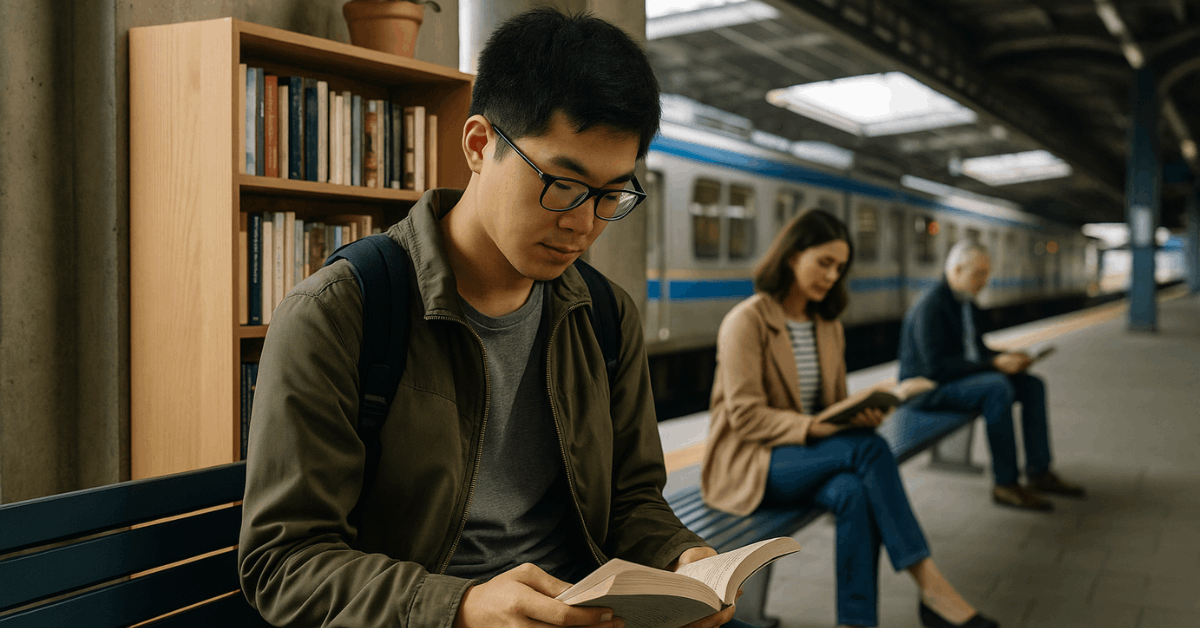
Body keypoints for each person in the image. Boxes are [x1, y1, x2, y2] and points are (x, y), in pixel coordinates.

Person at [238, 8, 746, 628]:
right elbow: (284, 561)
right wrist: (461, 606)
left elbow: (632, 500)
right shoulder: (341, 313)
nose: (584, 225)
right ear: (480, 145)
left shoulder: (605, 315)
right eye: (563, 183)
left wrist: (682, 556)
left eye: (612, 195)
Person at [701, 210, 998, 628]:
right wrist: (819, 428)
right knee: (871, 450)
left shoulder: (828, 326)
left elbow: (833, 405)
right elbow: (746, 418)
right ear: (792, 256)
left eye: (839, 268)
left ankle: (857, 622)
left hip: (810, 456)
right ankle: (931, 587)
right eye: (824, 262)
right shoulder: (747, 321)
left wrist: (861, 413)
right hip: (753, 462)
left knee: (854, 492)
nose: (831, 275)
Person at [898, 240, 1086, 511]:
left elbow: (977, 351)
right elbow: (936, 368)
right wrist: (996, 364)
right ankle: (1005, 484)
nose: (983, 282)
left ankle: (1039, 472)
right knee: (997, 387)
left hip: (955, 381)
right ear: (957, 270)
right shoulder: (931, 307)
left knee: (1032, 385)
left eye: (986, 274)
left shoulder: (965, 303)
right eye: (978, 275)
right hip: (926, 390)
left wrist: (1009, 356)